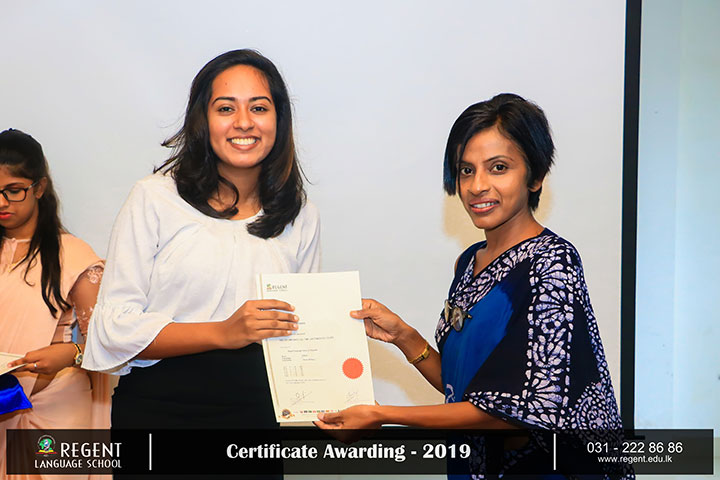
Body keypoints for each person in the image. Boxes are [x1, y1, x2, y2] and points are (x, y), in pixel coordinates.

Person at [315, 94, 624, 478]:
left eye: (498, 168)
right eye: (465, 170)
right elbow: (465, 389)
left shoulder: (551, 263)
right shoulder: (469, 263)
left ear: (535, 176)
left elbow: (517, 410)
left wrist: (383, 414)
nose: (477, 185)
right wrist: (404, 337)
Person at [82, 49, 320, 432]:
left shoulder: (300, 213)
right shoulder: (154, 197)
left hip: (258, 417)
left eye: (259, 108)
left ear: (279, 119)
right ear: (202, 120)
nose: (244, 122)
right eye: (225, 108)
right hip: (158, 414)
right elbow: (114, 328)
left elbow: (299, 329)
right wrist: (224, 332)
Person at [0, 128, 110, 480]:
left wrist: (71, 353)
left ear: (39, 188)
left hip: (54, 411)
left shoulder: (73, 255)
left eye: (14, 190)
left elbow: (108, 343)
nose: (2, 202)